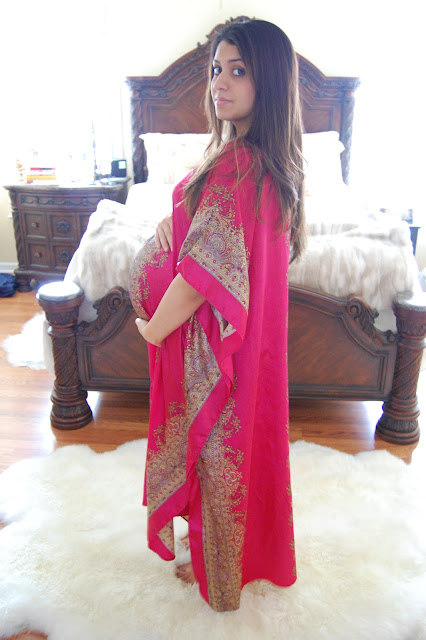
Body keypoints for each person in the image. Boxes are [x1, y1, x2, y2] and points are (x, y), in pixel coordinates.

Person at [129, 18, 305, 612]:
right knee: (242, 448)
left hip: (215, 344)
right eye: (215, 70)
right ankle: (233, 557)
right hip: (252, 343)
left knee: (215, 450)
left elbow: (199, 279)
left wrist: (153, 328)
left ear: (269, 81)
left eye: (238, 70)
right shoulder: (264, 162)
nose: (219, 84)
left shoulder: (238, 167)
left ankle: (218, 570)